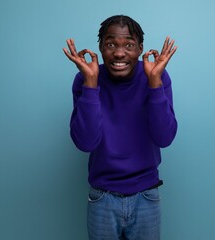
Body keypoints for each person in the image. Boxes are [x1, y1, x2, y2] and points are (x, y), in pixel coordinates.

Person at [63, 15, 177, 240]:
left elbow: (164, 137)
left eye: (129, 45)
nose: (119, 53)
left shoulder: (156, 76)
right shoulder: (86, 78)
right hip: (102, 197)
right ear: (101, 48)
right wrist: (91, 85)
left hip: (146, 195)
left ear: (140, 48)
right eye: (111, 44)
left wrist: (155, 82)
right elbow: (86, 142)